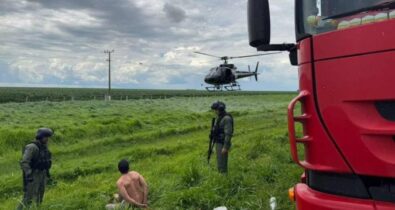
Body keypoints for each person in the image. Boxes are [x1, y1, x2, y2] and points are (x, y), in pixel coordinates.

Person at [18, 128, 53, 210]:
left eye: (48, 137)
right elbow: (24, 162)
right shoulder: (32, 147)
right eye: (45, 137)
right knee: (28, 198)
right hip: (33, 174)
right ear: (40, 137)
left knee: (40, 196)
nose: (47, 139)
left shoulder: (44, 147)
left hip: (42, 174)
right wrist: (29, 174)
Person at [211, 101, 234, 173]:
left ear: (220, 109)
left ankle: (224, 178)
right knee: (219, 161)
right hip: (218, 142)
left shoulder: (226, 118)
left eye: (215, 110)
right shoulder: (220, 117)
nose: (215, 111)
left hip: (222, 143)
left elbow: (228, 134)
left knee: (222, 163)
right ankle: (221, 175)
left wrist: (225, 147)